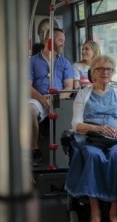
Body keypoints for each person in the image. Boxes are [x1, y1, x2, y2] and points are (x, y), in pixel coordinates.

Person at [64, 55, 117, 222]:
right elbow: (76, 124)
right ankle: (95, 212)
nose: (105, 72)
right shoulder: (84, 93)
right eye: (100, 69)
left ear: (112, 73)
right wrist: (97, 128)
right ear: (93, 73)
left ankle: (114, 212)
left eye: (109, 69)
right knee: (92, 155)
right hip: (93, 138)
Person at [29, 27, 74, 166]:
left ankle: (67, 154)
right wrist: (43, 99)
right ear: (50, 40)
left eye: (64, 41)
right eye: (60, 40)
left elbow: (68, 87)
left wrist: (56, 98)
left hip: (59, 99)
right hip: (38, 98)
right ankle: (34, 149)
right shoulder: (32, 61)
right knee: (30, 111)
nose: (63, 44)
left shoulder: (65, 62)